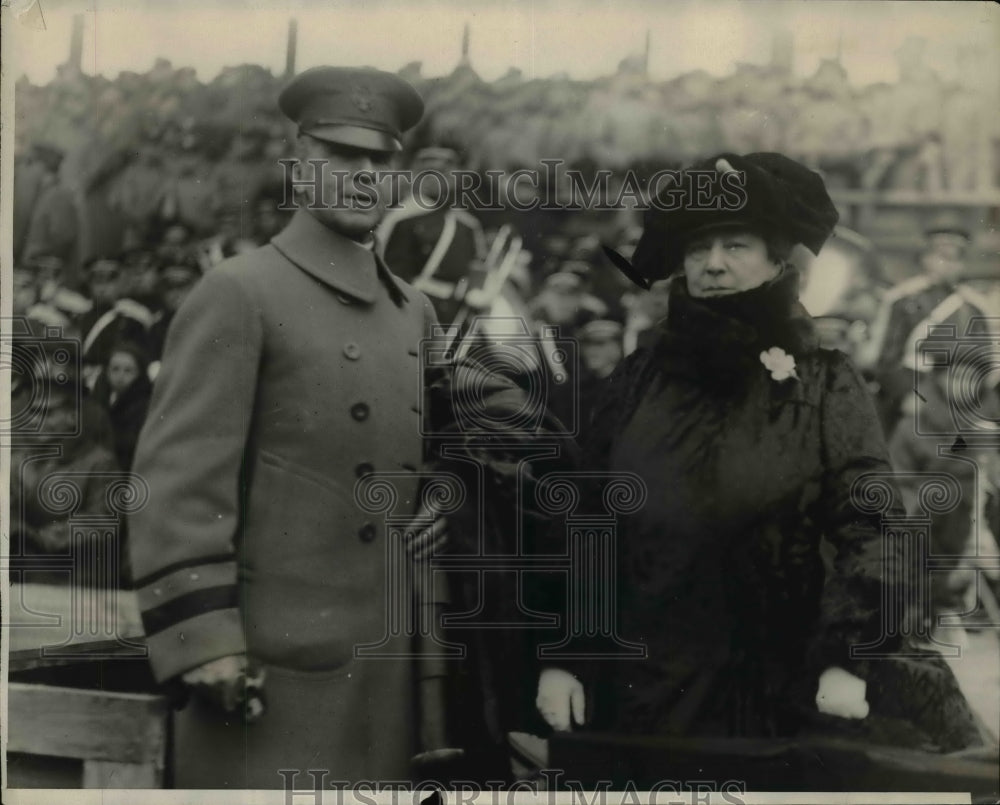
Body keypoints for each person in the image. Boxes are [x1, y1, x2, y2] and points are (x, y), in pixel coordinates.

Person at [535, 153, 985, 758]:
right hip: (646, 686)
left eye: (736, 244)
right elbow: (583, 516)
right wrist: (567, 656)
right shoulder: (639, 377)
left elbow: (872, 526)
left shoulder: (825, 381)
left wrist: (845, 659)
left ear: (776, 258)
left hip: (780, 690)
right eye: (699, 247)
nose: (714, 263)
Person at [126, 66, 435, 788]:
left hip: (386, 678)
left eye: (380, 161)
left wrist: (447, 500)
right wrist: (204, 644)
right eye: (339, 157)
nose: (363, 176)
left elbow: (435, 454)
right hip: (269, 677)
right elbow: (174, 485)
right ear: (298, 169)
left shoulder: (413, 311)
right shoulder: (240, 291)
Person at [861, 212, 992, 435]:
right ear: (926, 258)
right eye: (941, 257)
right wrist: (906, 396)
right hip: (909, 398)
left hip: (958, 400)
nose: (948, 266)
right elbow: (885, 360)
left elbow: (984, 361)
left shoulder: (974, 306)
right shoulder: (902, 301)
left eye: (956, 258)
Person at [378, 142, 486, 324]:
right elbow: (390, 274)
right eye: (430, 174)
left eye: (445, 173)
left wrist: (476, 292)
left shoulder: (467, 225)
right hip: (414, 310)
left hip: (456, 315)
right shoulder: (403, 219)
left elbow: (478, 266)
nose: (438, 180)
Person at [92, 341, 153, 471]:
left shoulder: (144, 406)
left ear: (139, 374)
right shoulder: (100, 398)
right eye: (115, 369)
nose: (120, 376)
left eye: (128, 371)